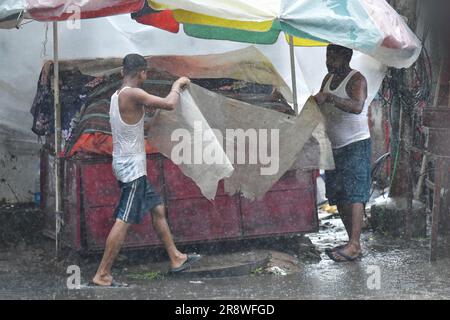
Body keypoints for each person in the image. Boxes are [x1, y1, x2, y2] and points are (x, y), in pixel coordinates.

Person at [92, 54, 201, 287]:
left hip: (128, 165)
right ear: (142, 73)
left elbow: (137, 126)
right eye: (145, 73)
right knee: (124, 219)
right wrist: (177, 85)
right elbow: (170, 103)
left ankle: (175, 257)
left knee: (157, 207)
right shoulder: (133, 93)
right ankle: (102, 274)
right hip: (132, 171)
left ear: (123, 72)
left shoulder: (117, 96)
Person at [314, 44, 370, 262]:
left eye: (334, 56)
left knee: (355, 194)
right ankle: (351, 242)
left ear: (347, 56)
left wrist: (330, 98)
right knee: (338, 194)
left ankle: (355, 244)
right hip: (334, 146)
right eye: (327, 55)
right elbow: (322, 104)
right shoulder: (327, 79)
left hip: (355, 144)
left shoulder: (357, 79)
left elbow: (357, 106)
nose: (329, 60)